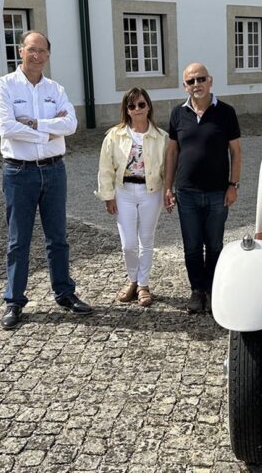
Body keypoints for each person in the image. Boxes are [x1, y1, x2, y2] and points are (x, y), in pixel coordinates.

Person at [0, 30, 92, 330]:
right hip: (19, 172)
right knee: (18, 240)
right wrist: (51, 129)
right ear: (20, 51)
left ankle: (64, 293)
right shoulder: (4, 86)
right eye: (31, 50)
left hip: (53, 169)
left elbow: (71, 125)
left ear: (48, 54)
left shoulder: (55, 88)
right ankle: (14, 300)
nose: (36, 55)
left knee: (58, 238)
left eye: (42, 51)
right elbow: (8, 128)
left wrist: (36, 123)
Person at [164, 63, 242, 314]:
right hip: (186, 193)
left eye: (200, 79)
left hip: (218, 192)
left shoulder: (226, 112)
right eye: (190, 81)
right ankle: (197, 290)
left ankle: (213, 289)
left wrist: (233, 185)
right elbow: (172, 152)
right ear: (184, 86)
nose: (196, 85)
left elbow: (236, 152)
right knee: (192, 245)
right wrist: (168, 187)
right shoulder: (177, 114)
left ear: (210, 80)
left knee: (215, 244)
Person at [96, 87, 168, 307]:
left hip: (151, 192)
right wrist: (108, 195)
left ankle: (143, 285)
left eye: (141, 104)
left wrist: (168, 192)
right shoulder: (115, 135)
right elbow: (105, 167)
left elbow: (167, 169)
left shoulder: (161, 137)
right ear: (126, 110)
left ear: (148, 107)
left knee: (146, 240)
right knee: (128, 244)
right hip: (124, 191)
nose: (137, 109)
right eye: (132, 105)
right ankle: (132, 280)